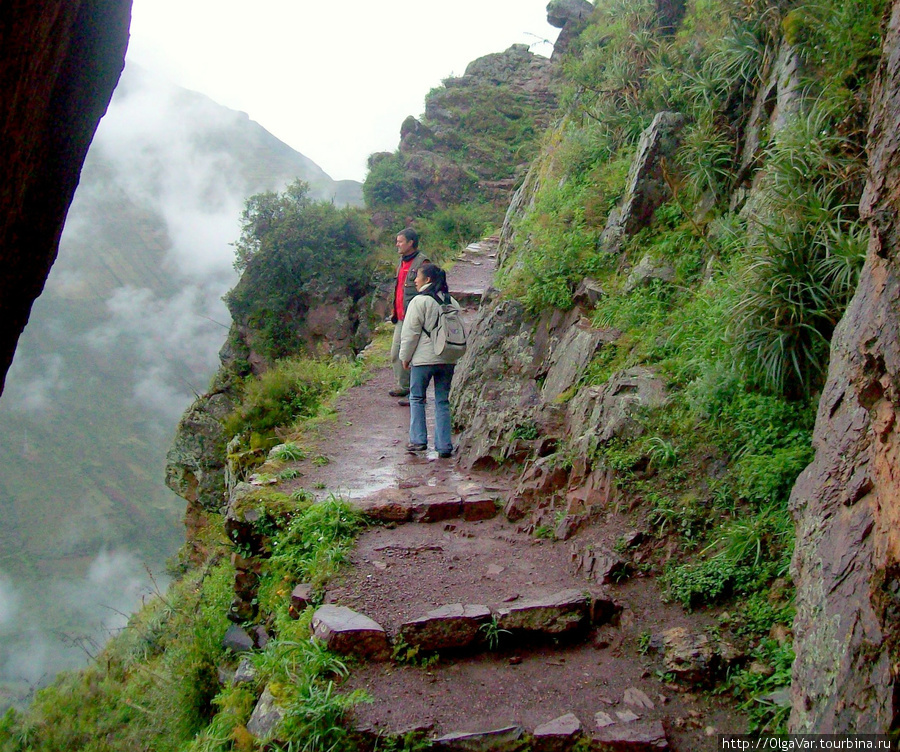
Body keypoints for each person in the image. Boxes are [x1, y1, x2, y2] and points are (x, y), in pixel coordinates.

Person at [398, 263, 461, 459]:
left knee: (417, 398)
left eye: (417, 276)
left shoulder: (419, 302)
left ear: (427, 280)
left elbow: (410, 334)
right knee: (442, 400)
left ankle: (418, 440)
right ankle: (444, 446)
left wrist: (404, 358)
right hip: (448, 357)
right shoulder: (452, 301)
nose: (414, 280)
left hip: (424, 359)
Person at [389, 227, 428, 406]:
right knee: (396, 354)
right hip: (400, 316)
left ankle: (416, 393)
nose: (397, 244)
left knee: (414, 355)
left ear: (411, 243)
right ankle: (404, 386)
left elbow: (429, 290)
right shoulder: (401, 261)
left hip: (414, 317)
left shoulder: (423, 262)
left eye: (401, 241)